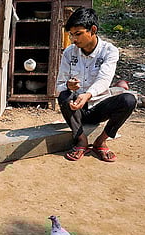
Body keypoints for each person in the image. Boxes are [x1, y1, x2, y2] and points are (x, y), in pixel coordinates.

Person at [56, 7, 136, 162]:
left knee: (129, 100)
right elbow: (59, 85)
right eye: (71, 35)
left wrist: (87, 95)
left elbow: (104, 80)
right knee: (64, 95)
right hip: (75, 110)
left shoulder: (109, 51)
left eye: (78, 34)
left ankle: (101, 141)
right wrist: (68, 85)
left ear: (93, 30)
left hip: (99, 107)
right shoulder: (69, 52)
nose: (74, 39)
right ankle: (81, 140)